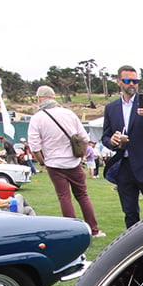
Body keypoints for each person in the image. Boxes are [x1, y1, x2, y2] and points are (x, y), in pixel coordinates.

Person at [28, 84, 106, 237]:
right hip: (73, 161)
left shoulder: (37, 118)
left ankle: (73, 232)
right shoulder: (68, 114)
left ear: (39, 99)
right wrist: (81, 156)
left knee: (64, 197)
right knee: (82, 195)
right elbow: (84, 138)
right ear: (53, 98)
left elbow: (34, 146)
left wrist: (42, 162)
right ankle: (94, 229)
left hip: (53, 163)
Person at [101, 65, 143, 228]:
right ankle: (136, 243)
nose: (132, 84)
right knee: (130, 213)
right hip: (124, 168)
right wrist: (112, 141)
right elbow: (105, 137)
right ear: (119, 82)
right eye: (127, 81)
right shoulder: (111, 108)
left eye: (135, 81)